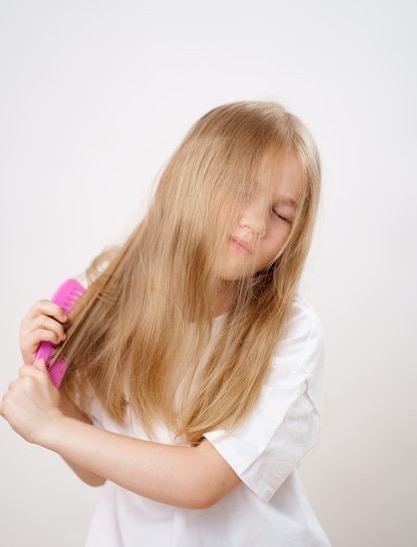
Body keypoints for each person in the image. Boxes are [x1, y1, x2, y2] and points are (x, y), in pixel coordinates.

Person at [1, 101, 330, 546]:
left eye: (281, 213)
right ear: (190, 181)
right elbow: (95, 470)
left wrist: (50, 427)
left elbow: (201, 483)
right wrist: (54, 394)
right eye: (241, 190)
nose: (254, 222)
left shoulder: (289, 332)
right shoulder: (113, 303)